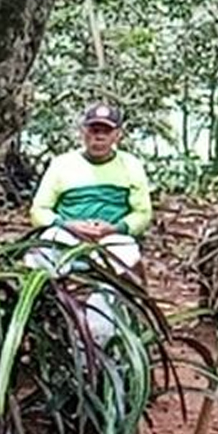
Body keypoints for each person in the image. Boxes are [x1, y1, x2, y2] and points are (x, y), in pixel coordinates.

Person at [28, 103, 155, 342]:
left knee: (125, 263)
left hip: (111, 237)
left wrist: (114, 228)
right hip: (67, 233)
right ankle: (44, 318)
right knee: (40, 255)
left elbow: (142, 213)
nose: (99, 137)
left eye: (105, 131)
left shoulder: (131, 165)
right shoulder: (62, 164)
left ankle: (100, 336)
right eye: (93, 130)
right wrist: (67, 224)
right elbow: (39, 210)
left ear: (117, 134)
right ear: (83, 132)